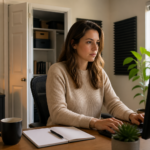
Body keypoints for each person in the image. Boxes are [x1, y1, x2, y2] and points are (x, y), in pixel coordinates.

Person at [46, 20, 144, 133]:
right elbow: (58, 113)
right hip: (61, 134)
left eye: (97, 42)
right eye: (89, 42)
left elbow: (113, 103)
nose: (95, 48)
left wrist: (131, 115)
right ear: (73, 44)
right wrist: (95, 122)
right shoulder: (57, 70)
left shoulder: (99, 73)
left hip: (90, 133)